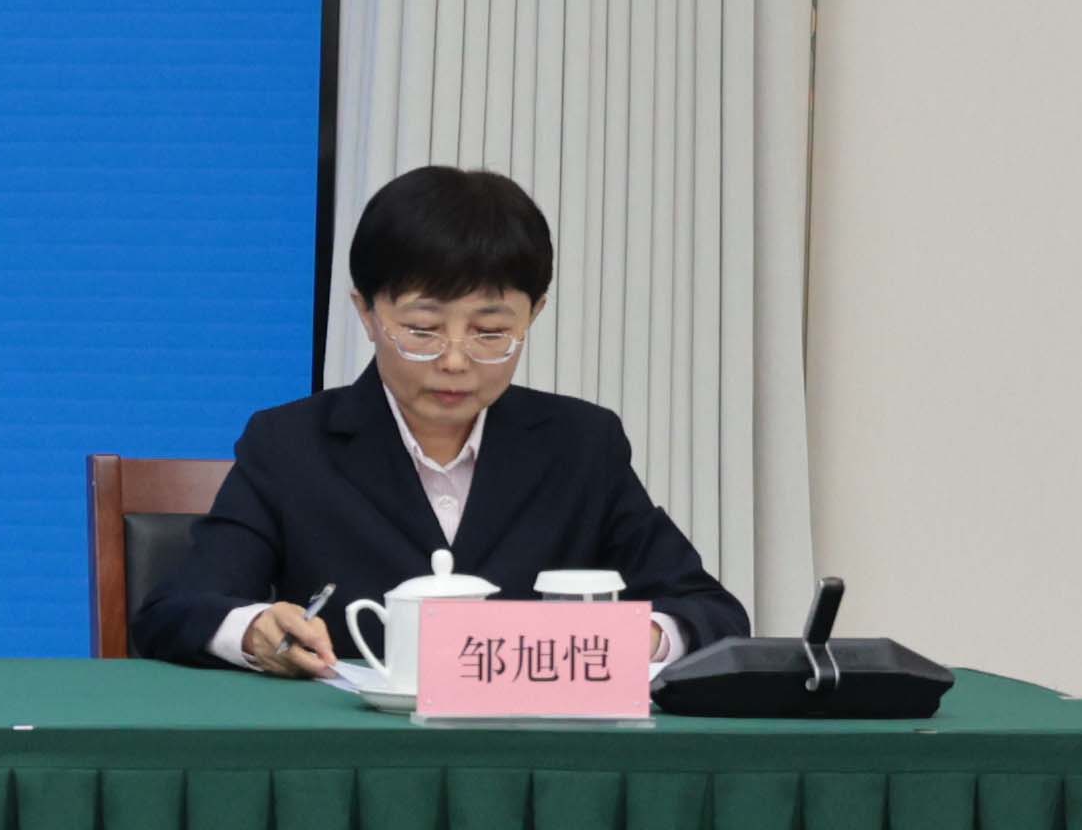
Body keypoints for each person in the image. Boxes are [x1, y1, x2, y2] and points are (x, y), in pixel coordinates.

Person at [138, 164, 748, 671]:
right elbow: (177, 609)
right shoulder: (291, 444)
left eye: (490, 333)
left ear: (533, 314)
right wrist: (254, 629)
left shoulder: (581, 445)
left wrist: (637, 638)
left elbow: (711, 611)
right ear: (367, 313)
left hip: (532, 748)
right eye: (422, 329)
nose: (455, 360)